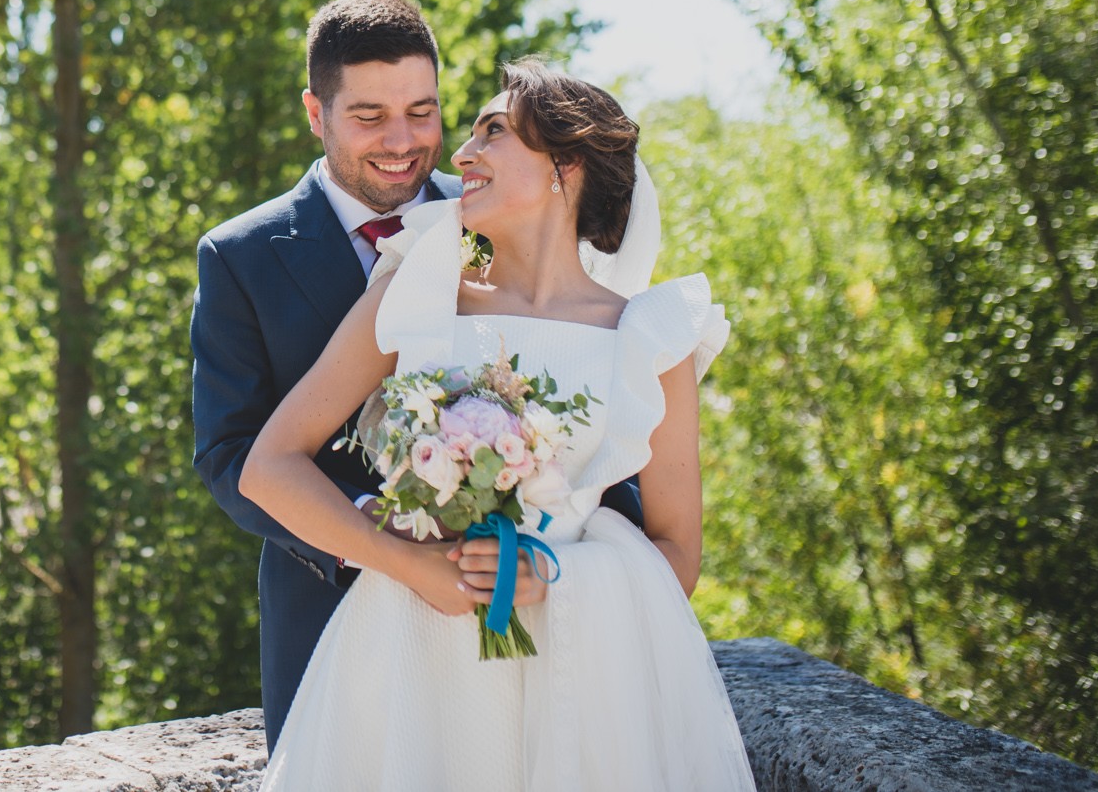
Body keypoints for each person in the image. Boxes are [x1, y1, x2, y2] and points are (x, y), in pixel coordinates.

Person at [239, 58, 756, 790]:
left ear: (565, 165)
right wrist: (408, 562)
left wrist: (556, 574)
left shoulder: (650, 339)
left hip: (580, 681)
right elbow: (271, 466)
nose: (461, 153)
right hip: (409, 659)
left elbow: (677, 555)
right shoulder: (420, 290)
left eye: (494, 131)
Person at [190, 0, 642, 751]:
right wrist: (384, 526)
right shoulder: (241, 256)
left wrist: (557, 560)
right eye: (369, 116)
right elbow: (230, 456)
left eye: (423, 111)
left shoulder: (495, 220)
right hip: (329, 612)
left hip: (520, 626)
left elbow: (589, 425)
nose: (402, 142)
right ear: (316, 111)